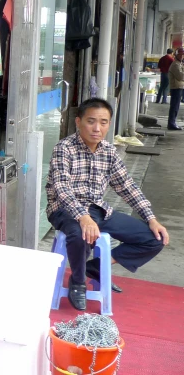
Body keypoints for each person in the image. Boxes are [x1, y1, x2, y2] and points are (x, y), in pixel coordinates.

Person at [46, 98, 169, 311]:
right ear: (78, 121)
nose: (97, 128)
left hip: (99, 210)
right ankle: (77, 281)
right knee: (80, 233)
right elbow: (61, 188)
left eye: (103, 122)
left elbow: (128, 188)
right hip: (64, 208)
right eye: (91, 121)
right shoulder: (64, 148)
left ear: (109, 124)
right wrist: (83, 217)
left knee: (154, 239)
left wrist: (151, 218)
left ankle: (95, 267)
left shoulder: (109, 152)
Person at [167, 49, 184, 131]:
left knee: (176, 106)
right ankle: (171, 123)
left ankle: (172, 122)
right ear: (176, 55)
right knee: (174, 106)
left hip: (179, 87)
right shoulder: (175, 65)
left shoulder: (179, 64)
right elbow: (180, 77)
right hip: (176, 87)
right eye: (180, 55)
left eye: (182, 55)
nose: (181, 56)